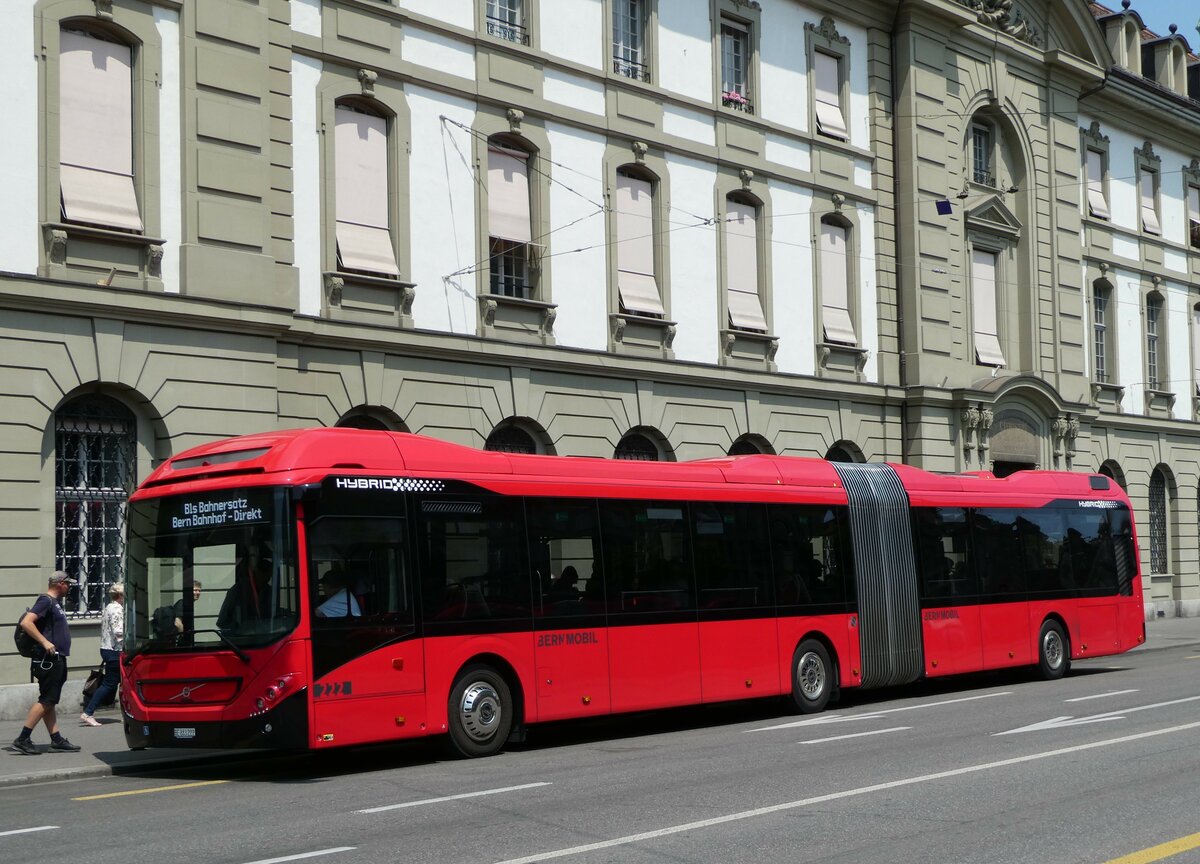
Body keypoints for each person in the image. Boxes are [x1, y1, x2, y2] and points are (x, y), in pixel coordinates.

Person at [10, 571, 82, 755]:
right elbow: (27, 622)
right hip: (48, 660)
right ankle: (23, 738)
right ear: (60, 584)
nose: (69, 587)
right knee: (47, 700)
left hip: (52, 659)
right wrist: (44, 641)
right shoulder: (46, 601)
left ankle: (56, 739)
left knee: (49, 699)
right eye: (68, 583)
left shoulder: (54, 603)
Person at [80, 582, 123, 727]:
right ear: (120, 595)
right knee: (109, 684)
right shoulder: (117, 609)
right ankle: (88, 713)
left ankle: (127, 713)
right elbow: (119, 632)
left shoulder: (109, 607)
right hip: (114, 650)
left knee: (119, 683)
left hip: (107, 648)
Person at [217, 546, 273, 632]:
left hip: (267, 636)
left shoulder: (269, 591)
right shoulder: (237, 591)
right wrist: (241, 629)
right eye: (264, 572)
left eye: (269, 575)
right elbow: (222, 622)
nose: (267, 578)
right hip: (242, 640)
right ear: (256, 571)